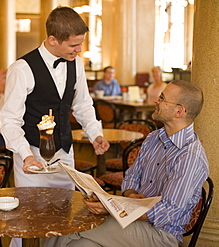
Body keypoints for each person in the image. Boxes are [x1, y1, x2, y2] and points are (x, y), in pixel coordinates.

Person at [45, 80, 209, 247]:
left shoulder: (190, 156)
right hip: (133, 219)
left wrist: (115, 208)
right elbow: (131, 177)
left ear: (179, 111)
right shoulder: (154, 138)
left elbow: (167, 213)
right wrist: (130, 196)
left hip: (160, 234)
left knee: (72, 224)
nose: (156, 101)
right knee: (78, 244)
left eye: (162, 98)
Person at [0, 6, 109, 247]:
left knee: (63, 216)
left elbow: (82, 104)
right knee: (28, 220)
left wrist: (95, 133)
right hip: (32, 155)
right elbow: (8, 121)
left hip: (64, 155)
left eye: (80, 44)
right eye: (73, 45)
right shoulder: (22, 68)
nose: (79, 50)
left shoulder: (76, 63)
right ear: (52, 39)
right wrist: (27, 156)